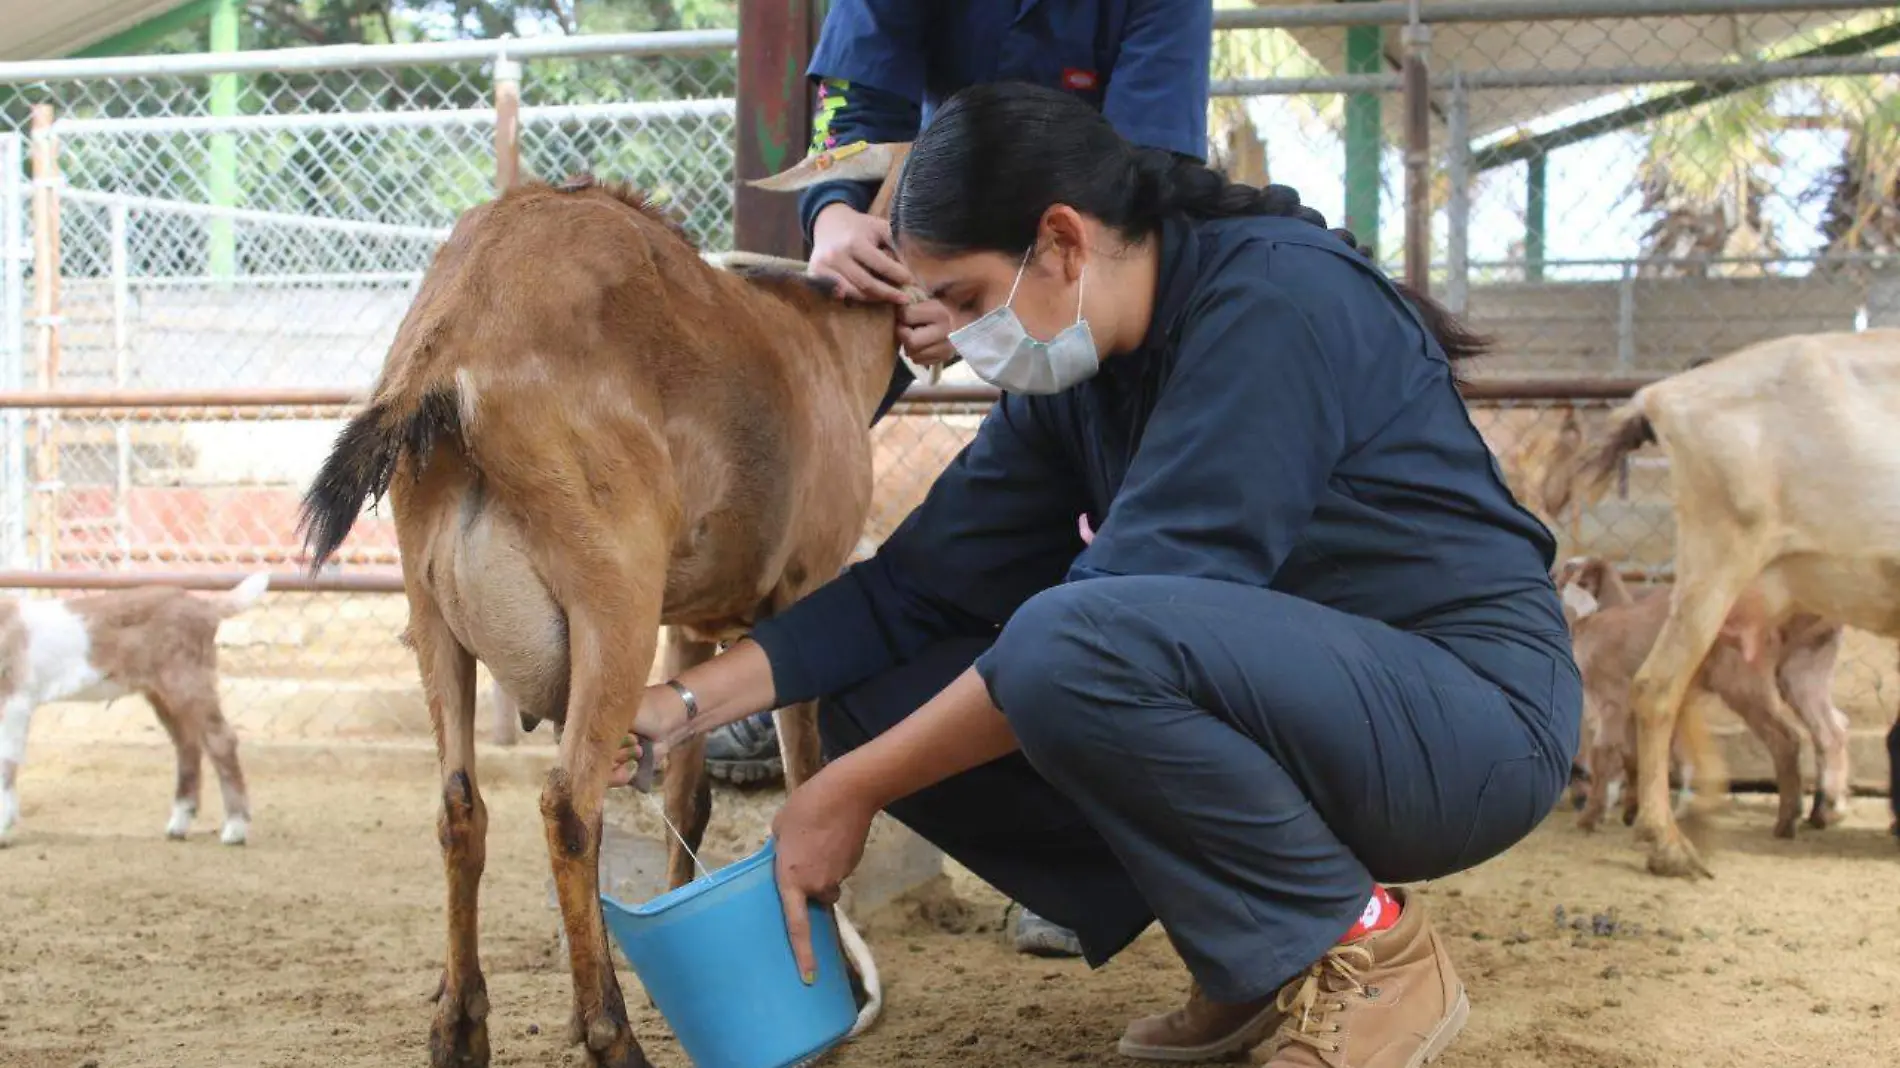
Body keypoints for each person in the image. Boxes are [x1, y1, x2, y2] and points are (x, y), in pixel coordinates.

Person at [621, 83, 1581, 1066]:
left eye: (963, 299)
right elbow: (909, 590)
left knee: (1060, 643)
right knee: (870, 694)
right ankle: (1260, 957)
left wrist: (846, 790)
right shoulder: (1077, 373)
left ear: (1064, 243)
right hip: (1313, 707)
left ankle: (1369, 953)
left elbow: (1092, 636)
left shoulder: (1272, 306)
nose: (950, 335)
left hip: (1468, 725)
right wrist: (678, 703)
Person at [701, 0, 1214, 960]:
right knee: (887, 545)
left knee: (1104, 571)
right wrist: (839, 215)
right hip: (948, 232)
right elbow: (857, 99)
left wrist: (993, 291)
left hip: (1092, 277)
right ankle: (760, 676)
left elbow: (1145, 176)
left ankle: (1126, 844)